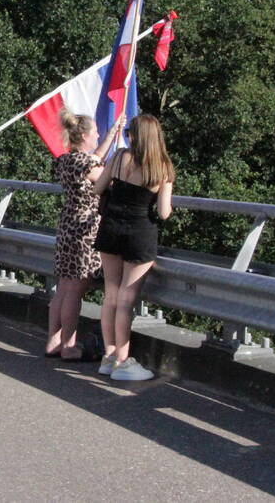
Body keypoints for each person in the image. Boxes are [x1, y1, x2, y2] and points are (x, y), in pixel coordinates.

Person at [93, 113, 174, 381]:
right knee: (127, 299)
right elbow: (163, 213)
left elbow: (98, 189)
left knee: (111, 294)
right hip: (139, 233)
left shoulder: (118, 157)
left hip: (111, 227)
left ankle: (109, 355)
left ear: (133, 134)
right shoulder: (162, 167)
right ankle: (124, 362)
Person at [46, 110, 123, 360]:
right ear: (86, 135)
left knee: (63, 287)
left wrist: (112, 134)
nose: (99, 135)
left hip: (68, 225)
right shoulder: (87, 164)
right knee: (75, 291)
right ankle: (69, 346)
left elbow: (95, 157)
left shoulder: (68, 160)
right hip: (85, 230)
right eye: (97, 132)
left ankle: (54, 341)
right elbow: (106, 178)